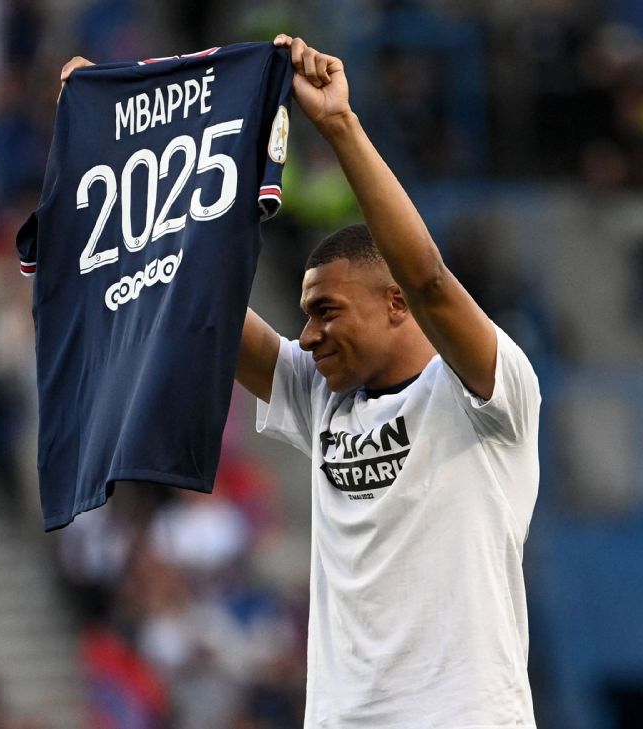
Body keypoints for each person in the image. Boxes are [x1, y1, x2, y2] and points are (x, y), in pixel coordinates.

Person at [63, 34, 540, 727]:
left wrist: (340, 125)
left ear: (396, 303)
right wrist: (113, 150)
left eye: (327, 311)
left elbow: (431, 277)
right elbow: (198, 302)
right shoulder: (323, 395)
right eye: (304, 315)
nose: (308, 335)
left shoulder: (488, 394)